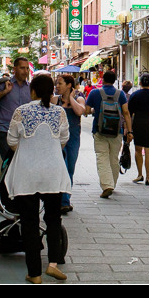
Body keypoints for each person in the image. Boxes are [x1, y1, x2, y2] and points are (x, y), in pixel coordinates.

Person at [5, 73, 71, 284]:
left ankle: (34, 273)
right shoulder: (59, 112)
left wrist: (27, 150)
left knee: (30, 222)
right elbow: (64, 140)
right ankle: (52, 265)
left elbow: (11, 140)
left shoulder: (21, 111)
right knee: (53, 219)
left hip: (27, 174)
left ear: (32, 91)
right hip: (53, 173)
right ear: (51, 91)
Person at [84, 69, 134, 198]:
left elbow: (86, 111)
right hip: (117, 131)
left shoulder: (95, 93)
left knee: (102, 157)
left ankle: (107, 185)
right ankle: (113, 183)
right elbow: (126, 113)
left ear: (103, 80)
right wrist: (129, 131)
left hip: (99, 131)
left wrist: (96, 110)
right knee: (113, 158)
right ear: (114, 81)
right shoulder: (120, 94)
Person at [0, 57, 32, 161]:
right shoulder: (4, 84)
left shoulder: (31, 88)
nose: (25, 71)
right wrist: (4, 92)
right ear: (14, 69)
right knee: (9, 162)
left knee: (20, 164)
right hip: (4, 130)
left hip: (24, 132)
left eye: (27, 68)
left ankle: (6, 177)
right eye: (22, 68)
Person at [55, 74, 86, 214]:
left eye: (60, 83)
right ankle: (64, 201)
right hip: (57, 140)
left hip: (73, 139)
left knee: (70, 169)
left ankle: (64, 198)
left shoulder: (79, 98)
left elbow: (80, 111)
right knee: (63, 168)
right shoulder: (54, 100)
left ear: (69, 85)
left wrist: (70, 99)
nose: (57, 86)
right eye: (56, 83)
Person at [127, 74, 149, 185]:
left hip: (138, 123)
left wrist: (127, 129)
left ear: (140, 83)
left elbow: (129, 113)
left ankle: (140, 174)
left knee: (138, 150)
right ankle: (148, 177)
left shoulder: (135, 95)